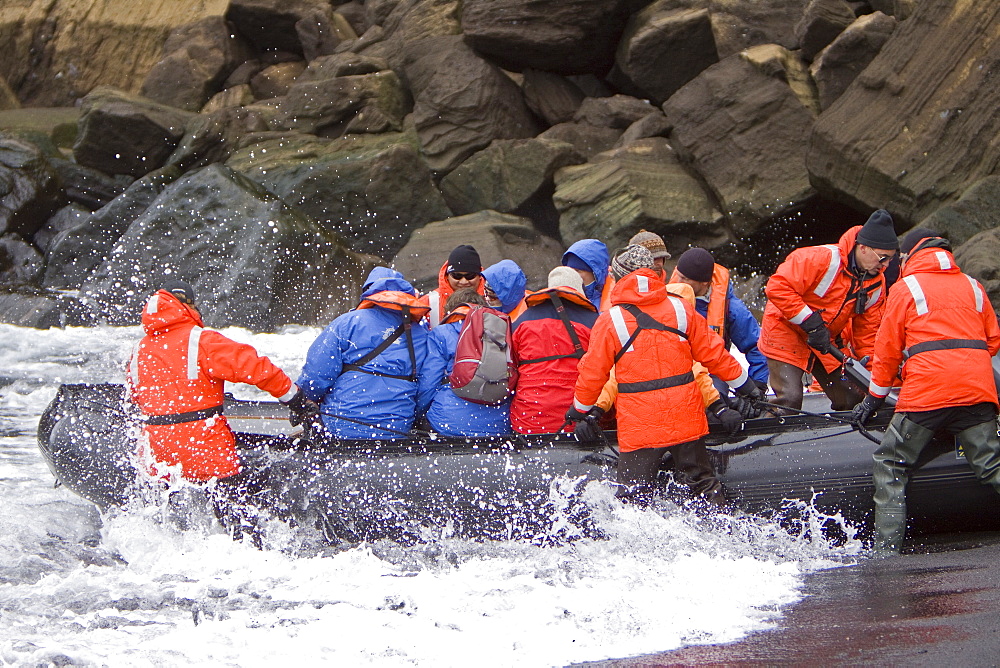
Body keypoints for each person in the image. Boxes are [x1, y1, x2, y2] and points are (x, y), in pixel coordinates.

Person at [566, 245, 763, 506]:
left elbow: (594, 373)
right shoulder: (682, 309)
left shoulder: (610, 320)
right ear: (654, 273)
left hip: (640, 426)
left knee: (632, 498)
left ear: (619, 277)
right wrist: (747, 388)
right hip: (686, 419)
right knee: (704, 484)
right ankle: (725, 531)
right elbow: (715, 355)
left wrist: (581, 409)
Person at [852, 228, 1000, 555]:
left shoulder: (906, 288)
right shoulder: (974, 286)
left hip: (928, 394)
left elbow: (887, 351)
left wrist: (873, 400)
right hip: (977, 391)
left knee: (890, 463)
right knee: (991, 466)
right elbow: (993, 342)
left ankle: (886, 554)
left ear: (911, 255)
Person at [759, 210, 898, 412]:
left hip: (826, 340)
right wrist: (810, 322)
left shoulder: (876, 284)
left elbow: (868, 336)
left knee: (852, 399)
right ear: (864, 248)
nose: (885, 265)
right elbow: (776, 288)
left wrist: (873, 381)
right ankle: (764, 435)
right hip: (786, 330)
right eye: (883, 258)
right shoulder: (819, 259)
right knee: (789, 400)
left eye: (890, 260)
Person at [298, 267, 432, 439]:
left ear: (369, 292)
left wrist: (305, 401)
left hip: (341, 424)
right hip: (396, 428)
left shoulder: (347, 323)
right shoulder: (422, 335)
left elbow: (316, 374)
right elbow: (426, 388)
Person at [511, 266, 599, 434]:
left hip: (528, 419)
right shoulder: (595, 323)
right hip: (578, 422)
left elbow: (511, 368)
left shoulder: (521, 323)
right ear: (579, 289)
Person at [671, 247, 769, 393]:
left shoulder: (731, 309)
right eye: (678, 275)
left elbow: (757, 347)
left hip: (712, 373)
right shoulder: (667, 298)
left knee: (716, 398)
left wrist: (757, 386)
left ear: (704, 283)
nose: (678, 282)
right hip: (673, 371)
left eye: (685, 279)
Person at [419, 289, 512, 437]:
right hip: (499, 425)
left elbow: (429, 382)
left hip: (449, 422)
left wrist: (418, 413)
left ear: (449, 311)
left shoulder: (442, 333)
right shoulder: (503, 331)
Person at [420, 244, 486, 328]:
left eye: (470, 276)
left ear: (480, 276)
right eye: (457, 276)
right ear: (447, 276)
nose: (463, 281)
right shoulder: (428, 303)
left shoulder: (493, 298)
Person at [562, 239, 610, 311]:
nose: (573, 274)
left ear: (595, 273)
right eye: (570, 270)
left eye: (578, 271)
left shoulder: (615, 300)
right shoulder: (561, 301)